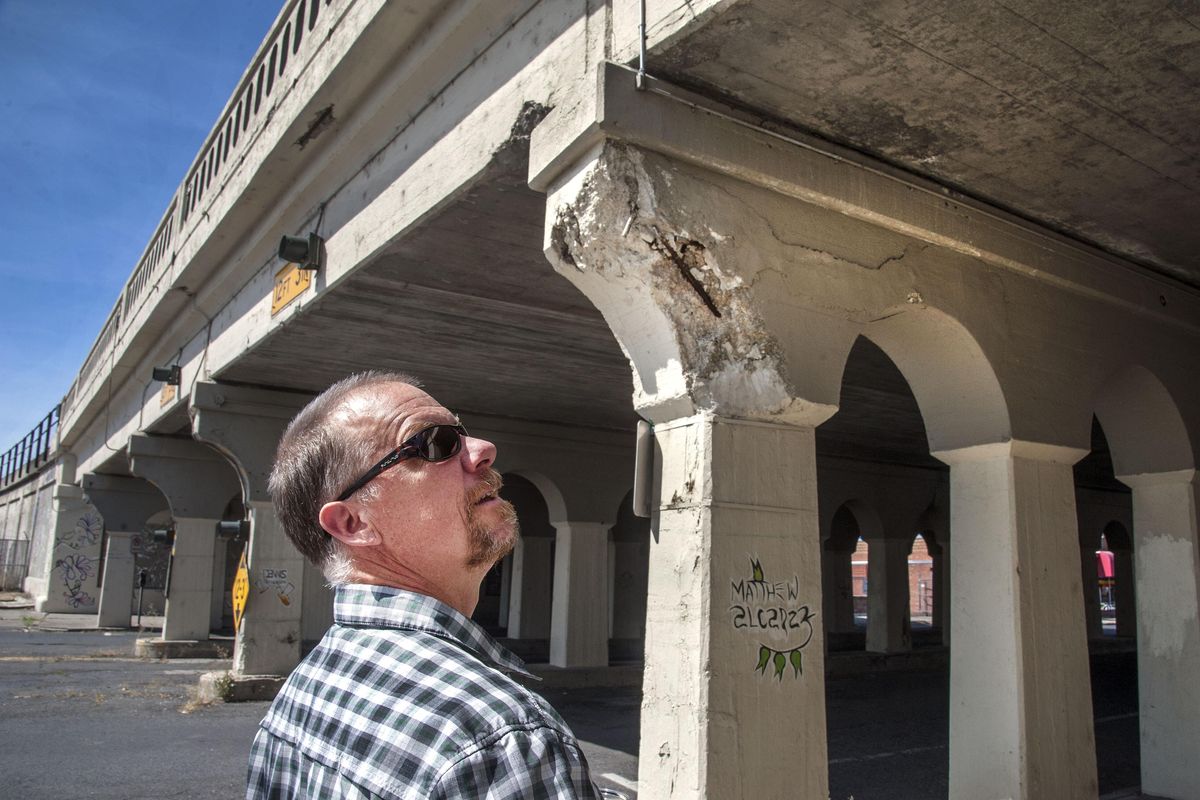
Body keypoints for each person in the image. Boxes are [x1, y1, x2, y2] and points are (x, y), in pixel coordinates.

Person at [246, 371, 600, 799]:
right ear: (353, 523)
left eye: (462, 433)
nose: (483, 449)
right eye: (435, 443)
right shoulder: (498, 736)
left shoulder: (298, 699)